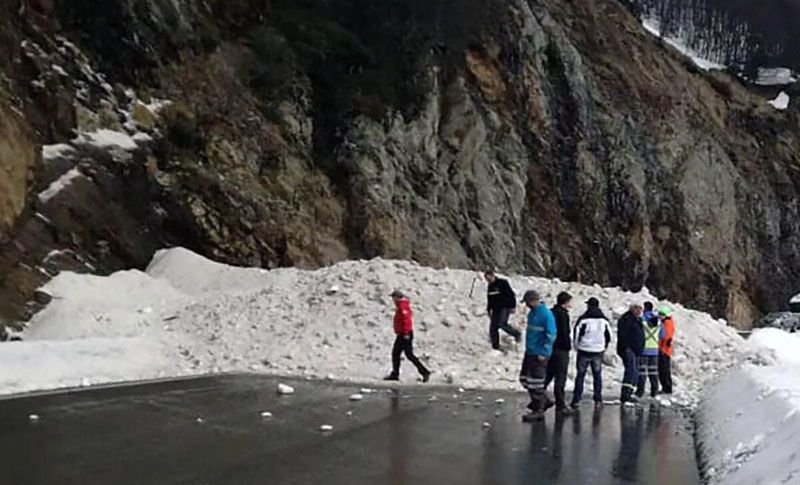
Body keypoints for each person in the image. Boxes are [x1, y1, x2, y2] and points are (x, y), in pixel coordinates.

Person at [519, 290, 557, 422]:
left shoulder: (545, 315)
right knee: (525, 379)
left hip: (539, 354)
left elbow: (551, 334)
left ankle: (539, 409)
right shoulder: (532, 313)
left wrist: (544, 352)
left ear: (533, 301)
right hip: (530, 351)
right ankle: (544, 401)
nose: (527, 305)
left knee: (536, 382)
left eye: (528, 302)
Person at [570, 297, 611, 410]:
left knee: (580, 375)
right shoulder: (604, 320)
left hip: (584, 350)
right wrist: (604, 346)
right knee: (597, 375)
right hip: (598, 350)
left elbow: (576, 334)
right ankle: (598, 399)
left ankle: (576, 399)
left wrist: (577, 347)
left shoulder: (583, 319)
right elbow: (608, 336)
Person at [384, 290, 431, 383]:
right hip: (402, 333)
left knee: (409, 354)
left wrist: (406, 333)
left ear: (396, 297)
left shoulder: (402, 306)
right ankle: (395, 373)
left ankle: (425, 372)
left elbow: (406, 320)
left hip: (405, 334)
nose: (392, 300)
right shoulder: (401, 306)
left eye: (393, 297)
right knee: (396, 353)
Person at [545, 292, 573, 415]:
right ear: (565, 302)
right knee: (560, 377)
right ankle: (560, 404)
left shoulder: (550, 312)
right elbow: (565, 332)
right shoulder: (564, 315)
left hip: (550, 348)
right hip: (561, 349)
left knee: (548, 374)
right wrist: (568, 345)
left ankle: (539, 398)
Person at [484, 270, 522, 350]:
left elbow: (511, 294)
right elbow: (490, 299)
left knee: (502, 323)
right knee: (493, 328)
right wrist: (488, 309)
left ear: (492, 275)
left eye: (489, 278)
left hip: (505, 307)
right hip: (495, 309)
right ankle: (495, 347)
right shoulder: (490, 287)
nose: (488, 280)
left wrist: (512, 306)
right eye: (486, 279)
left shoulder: (502, 283)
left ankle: (516, 334)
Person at [616, 303, 645, 404]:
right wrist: (625, 347)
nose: (639, 311)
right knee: (631, 371)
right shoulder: (627, 319)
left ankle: (630, 392)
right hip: (629, 349)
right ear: (632, 308)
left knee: (635, 372)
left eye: (640, 309)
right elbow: (623, 334)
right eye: (637, 308)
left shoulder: (638, 320)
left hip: (636, 350)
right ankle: (625, 394)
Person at [636, 304, 661, 398]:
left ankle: (640, 391)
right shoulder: (658, 322)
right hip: (654, 350)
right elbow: (662, 335)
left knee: (642, 372)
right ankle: (654, 391)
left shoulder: (641, 321)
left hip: (644, 350)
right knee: (653, 372)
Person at [658, 307, 675, 394]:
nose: (659, 316)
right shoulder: (666, 322)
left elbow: (665, 337)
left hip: (664, 351)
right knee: (663, 370)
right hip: (664, 350)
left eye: (661, 314)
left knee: (664, 371)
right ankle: (666, 387)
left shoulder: (667, 323)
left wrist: (661, 348)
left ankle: (667, 388)